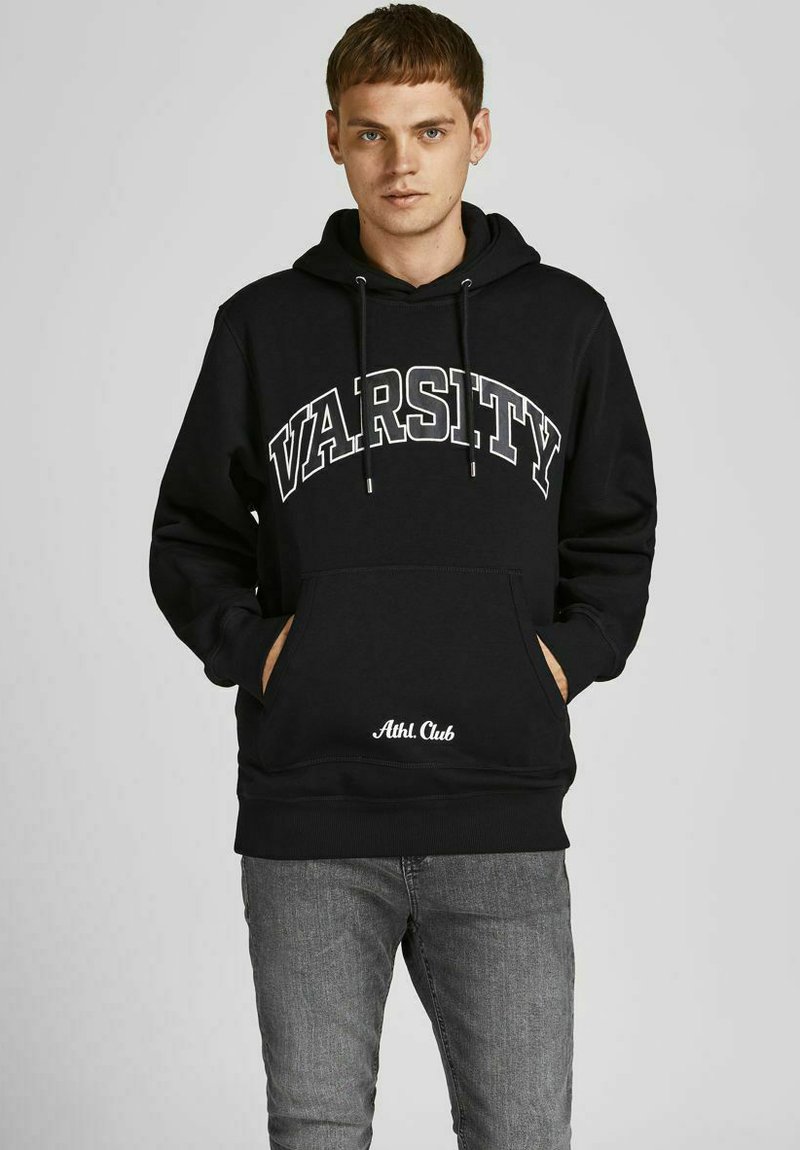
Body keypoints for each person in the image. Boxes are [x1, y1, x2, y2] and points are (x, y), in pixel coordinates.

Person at [148, 5, 657, 1147]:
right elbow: (190, 535)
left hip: (501, 809)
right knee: (316, 1132)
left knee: (521, 1134)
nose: (400, 163)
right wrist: (268, 653)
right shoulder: (263, 326)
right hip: (311, 815)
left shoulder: (565, 322)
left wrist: (549, 664)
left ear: (479, 133)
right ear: (334, 136)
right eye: (372, 132)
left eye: (429, 130)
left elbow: (616, 534)